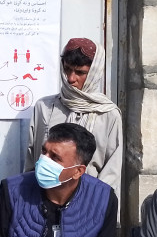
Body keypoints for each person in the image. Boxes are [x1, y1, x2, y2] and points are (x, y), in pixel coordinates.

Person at [27, 37, 122, 196]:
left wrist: (97, 204)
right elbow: (31, 161)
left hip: (89, 200)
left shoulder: (108, 114)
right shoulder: (44, 107)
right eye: (67, 69)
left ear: (94, 73)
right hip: (44, 198)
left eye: (80, 72)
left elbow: (112, 171)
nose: (71, 78)